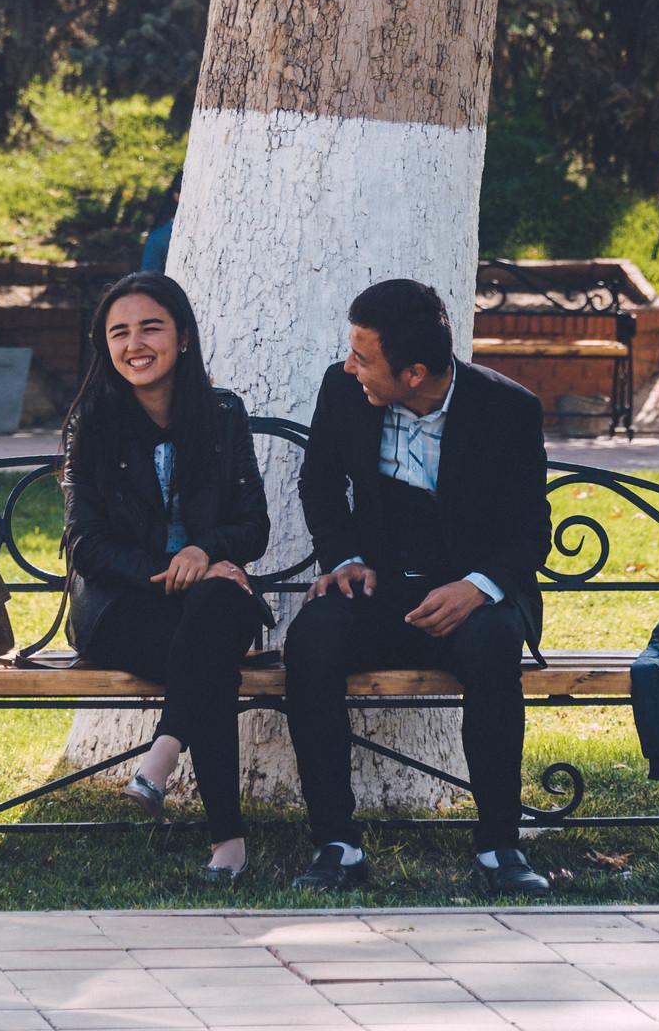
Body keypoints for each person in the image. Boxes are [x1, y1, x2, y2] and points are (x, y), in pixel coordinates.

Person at [284, 278, 553, 897]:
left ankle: (498, 845)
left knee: (492, 651)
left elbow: (529, 532)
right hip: (377, 590)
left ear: (414, 372)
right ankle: (337, 843)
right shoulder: (343, 390)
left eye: (363, 357)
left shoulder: (508, 409)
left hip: (468, 594)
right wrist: (345, 557)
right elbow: (319, 483)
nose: (350, 366)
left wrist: (478, 588)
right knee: (311, 640)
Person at [62, 270, 270, 881]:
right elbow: (84, 543)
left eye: (150, 327)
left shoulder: (223, 414)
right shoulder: (93, 424)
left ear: (183, 335)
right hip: (122, 609)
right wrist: (173, 569)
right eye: (119, 332)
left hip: (208, 602)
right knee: (209, 657)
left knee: (213, 617)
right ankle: (227, 841)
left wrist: (204, 552)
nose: (135, 344)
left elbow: (251, 526)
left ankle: (163, 755)